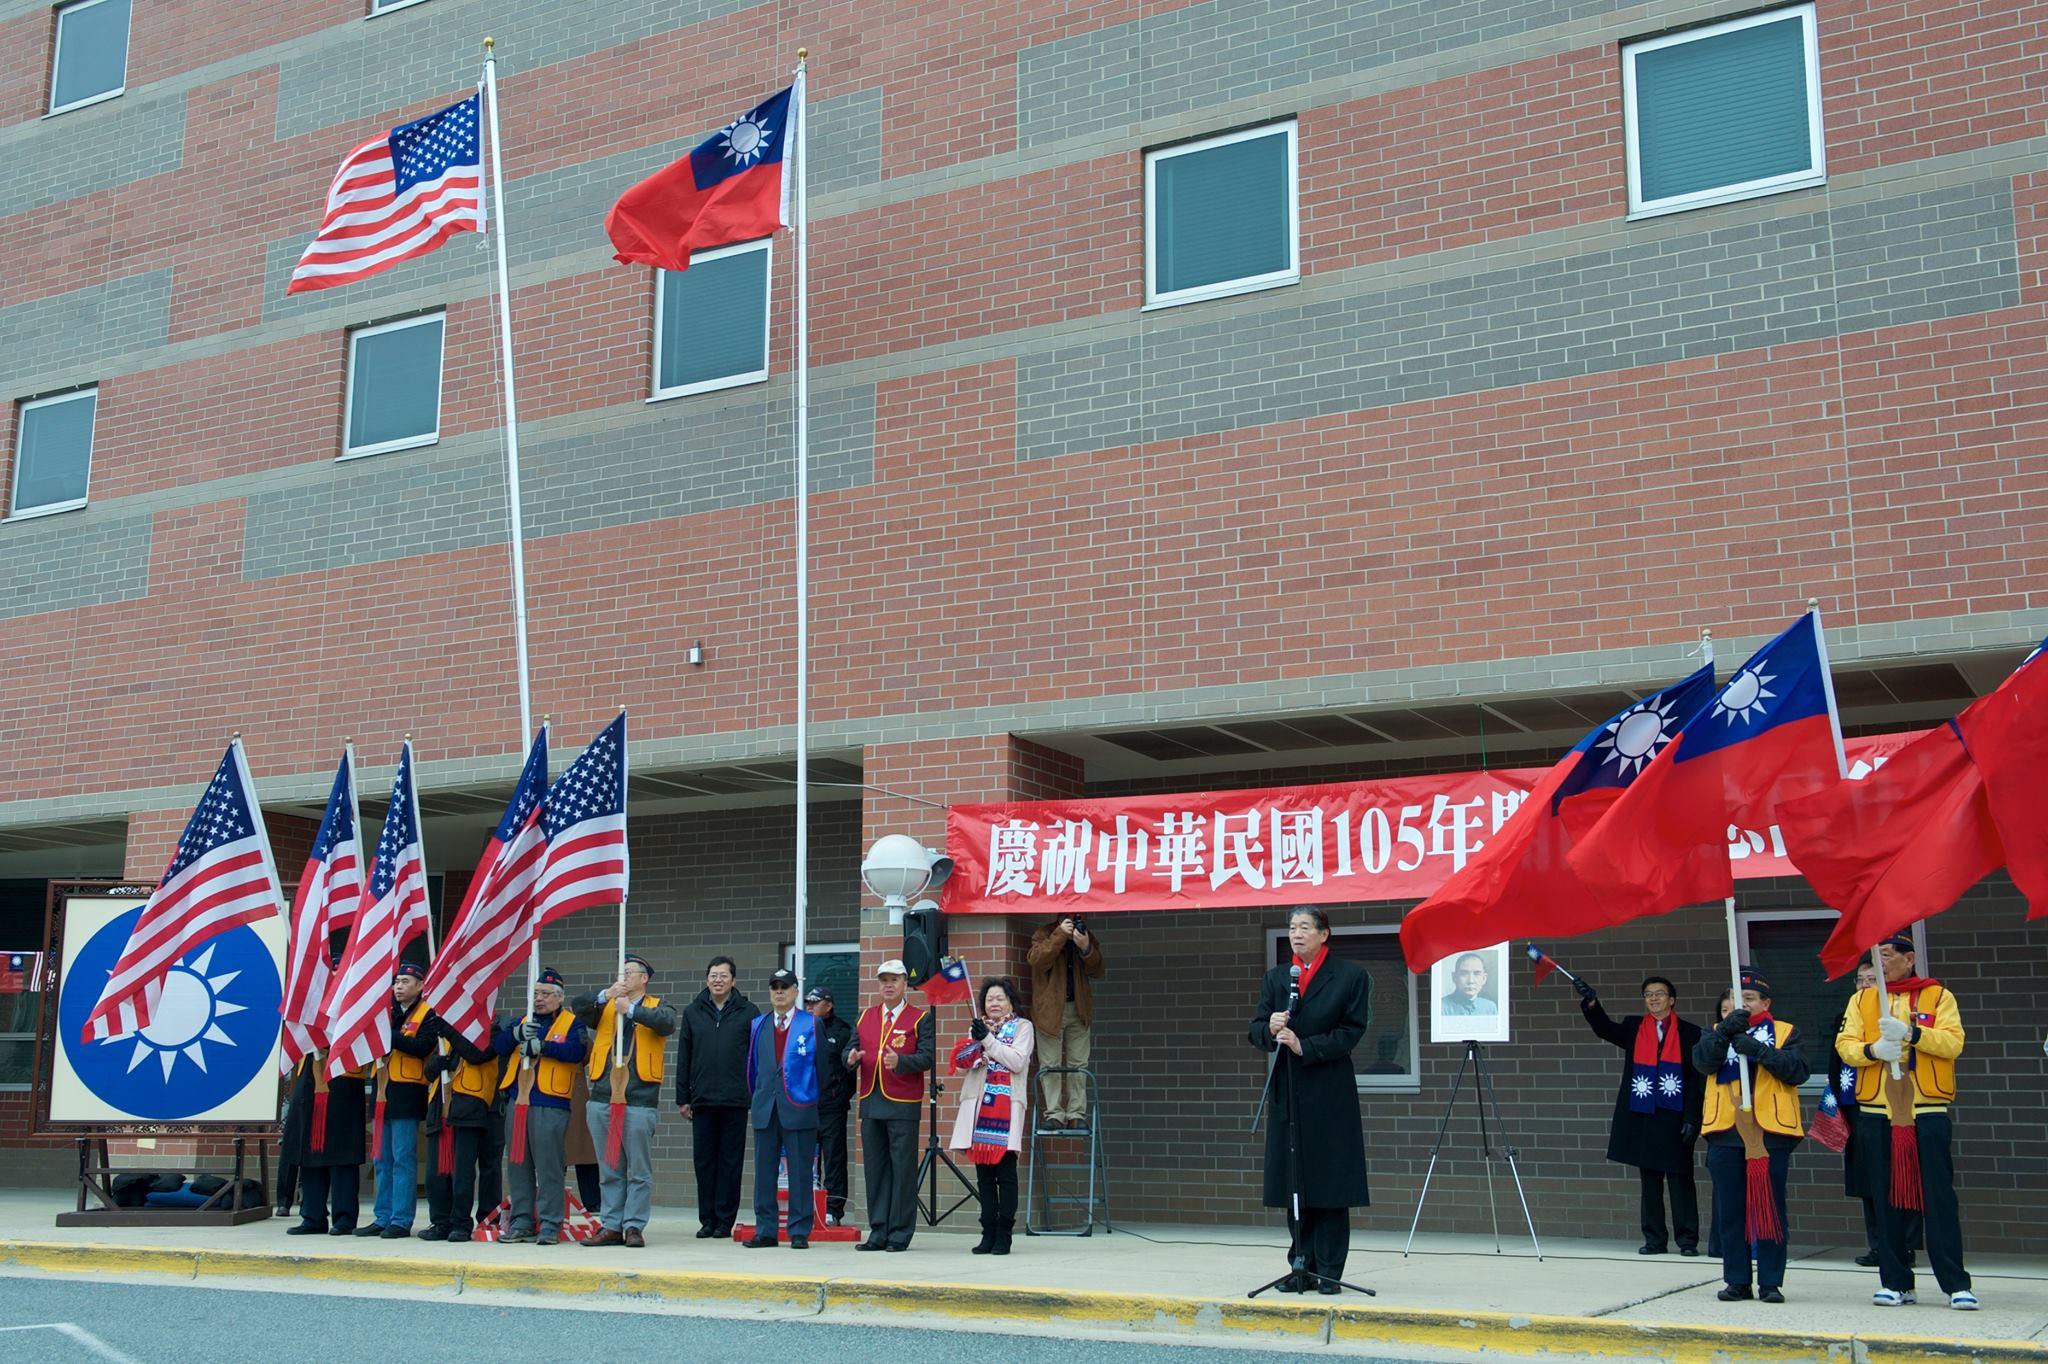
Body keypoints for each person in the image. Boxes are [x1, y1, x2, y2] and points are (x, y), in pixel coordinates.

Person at [1837, 934, 1976, 1310]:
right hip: (1878, 1112)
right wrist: (1873, 1051)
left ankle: (1956, 1283)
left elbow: (1954, 1043)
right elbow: (1845, 1046)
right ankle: (1896, 1282)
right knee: (1887, 1198)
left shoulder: (1937, 996)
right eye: (1875, 956)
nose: (1879, 963)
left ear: (1909, 958)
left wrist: (1913, 1034)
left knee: (1938, 1197)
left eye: (1886, 955)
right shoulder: (1862, 999)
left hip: (1926, 1110)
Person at [1246, 908, 1371, 1295]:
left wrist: (1307, 1045)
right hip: (1289, 1089)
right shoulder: (1278, 978)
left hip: (1329, 1088)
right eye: (1292, 928)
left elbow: (1352, 1031)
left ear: (1324, 934)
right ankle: (1302, 1263)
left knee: (1330, 1179)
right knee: (1295, 1179)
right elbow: (1255, 1029)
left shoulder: (1351, 977)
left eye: (1304, 928)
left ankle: (1329, 1268)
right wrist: (1269, 1029)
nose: (1296, 934)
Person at [1691, 969, 1807, 1304]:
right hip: (1726, 1131)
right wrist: (1725, 1033)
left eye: (1750, 999)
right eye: (1735, 1001)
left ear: (1766, 1002)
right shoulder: (1715, 1033)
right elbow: (1702, 1063)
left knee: (1770, 1210)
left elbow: (1797, 1071)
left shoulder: (1785, 1032)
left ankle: (1770, 1282)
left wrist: (1757, 1049)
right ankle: (1737, 1280)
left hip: (1769, 1132)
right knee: (1731, 1212)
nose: (1742, 1005)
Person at [1574, 974, 1704, 1256]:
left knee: (1681, 1180)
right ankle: (1655, 1239)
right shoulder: (1634, 1027)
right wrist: (1592, 1003)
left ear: (1672, 1000)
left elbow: (1697, 1080)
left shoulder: (1691, 1033)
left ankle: (1687, 1240)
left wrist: (1693, 1119)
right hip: (1644, 1116)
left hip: (1675, 1116)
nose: (1653, 998)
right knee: (1650, 1181)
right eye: (1648, 994)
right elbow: (1605, 1029)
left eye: (1659, 993)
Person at [573, 954, 679, 1248]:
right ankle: (611, 1225)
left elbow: (666, 1023)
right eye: (621, 972)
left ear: (644, 979)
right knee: (609, 1167)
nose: (623, 976)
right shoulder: (606, 1005)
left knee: (638, 1169)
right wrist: (607, 995)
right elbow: (578, 1008)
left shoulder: (658, 1006)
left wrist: (631, 1009)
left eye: (629, 972)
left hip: (638, 1100)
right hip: (603, 1097)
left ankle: (634, 1225)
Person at [495, 968, 590, 1246]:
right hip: (519, 1101)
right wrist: (515, 1034)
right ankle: (522, 1221)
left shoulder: (573, 1024)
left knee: (549, 1165)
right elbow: (498, 1047)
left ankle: (550, 1224)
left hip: (551, 1103)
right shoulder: (523, 1019)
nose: (539, 999)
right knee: (517, 1164)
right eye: (536, 993)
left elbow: (577, 1052)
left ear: (559, 998)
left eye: (545, 994)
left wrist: (543, 1046)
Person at [846, 958, 934, 1251]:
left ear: (904, 984)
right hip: (871, 1100)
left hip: (902, 1103)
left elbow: (928, 1057)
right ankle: (878, 1231)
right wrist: (850, 1058)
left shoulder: (919, 1018)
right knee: (875, 1169)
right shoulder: (865, 1016)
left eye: (894, 980)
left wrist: (902, 1062)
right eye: (883, 980)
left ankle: (899, 1233)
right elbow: (851, 1047)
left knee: (902, 1170)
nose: (888, 985)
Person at [948, 976, 1034, 1256]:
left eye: (1000, 998)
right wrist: (974, 1042)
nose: (994, 1003)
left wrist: (988, 1041)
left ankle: (1004, 1234)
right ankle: (987, 1232)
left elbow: (1017, 1061)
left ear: (1010, 1001)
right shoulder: (979, 1028)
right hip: (979, 1108)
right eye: (989, 999)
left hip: (1006, 1107)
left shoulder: (1023, 1027)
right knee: (984, 1175)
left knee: (1006, 1174)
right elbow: (964, 1063)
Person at [673, 955, 757, 1240]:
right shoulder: (693, 1011)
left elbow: (755, 1057)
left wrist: (753, 1093)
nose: (717, 980)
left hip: (735, 1099)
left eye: (723, 975)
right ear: (707, 979)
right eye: (713, 975)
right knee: (704, 1161)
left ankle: (724, 1220)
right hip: (703, 1099)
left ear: (734, 981)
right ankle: (706, 1219)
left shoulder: (749, 1012)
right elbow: (684, 1056)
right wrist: (682, 1097)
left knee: (730, 1162)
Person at [743, 968, 820, 1248]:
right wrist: (759, 1098)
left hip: (798, 1106)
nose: (779, 992)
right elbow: (752, 1069)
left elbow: (821, 1068)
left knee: (800, 1172)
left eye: (785, 987)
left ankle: (799, 1232)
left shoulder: (810, 1024)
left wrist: (812, 1101)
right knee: (764, 1173)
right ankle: (766, 1230)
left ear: (796, 991)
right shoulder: (758, 1025)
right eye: (774, 987)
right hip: (766, 1107)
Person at [361, 961, 438, 1239]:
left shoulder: (428, 1014)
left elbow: (422, 1047)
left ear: (419, 986)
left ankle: (401, 1219)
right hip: (383, 1091)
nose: (399, 987)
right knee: (381, 1158)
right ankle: (382, 1216)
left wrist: (389, 1035)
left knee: (403, 1158)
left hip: (407, 1092)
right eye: (397, 982)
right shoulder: (387, 1013)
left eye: (405, 982)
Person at [421, 1011, 509, 1243]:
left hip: (477, 1110)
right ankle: (441, 1221)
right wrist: (435, 1065)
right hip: (443, 1110)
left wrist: (450, 1030)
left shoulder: (492, 1031)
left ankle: (473, 1222)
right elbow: (429, 1072)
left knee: (469, 1172)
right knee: (438, 1173)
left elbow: (477, 1054)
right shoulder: (445, 1036)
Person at [1027, 916, 1104, 1128]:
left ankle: (1076, 1114)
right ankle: (1054, 1114)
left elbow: (1098, 969)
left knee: (1079, 1065)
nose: (1076, 917)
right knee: (1050, 1064)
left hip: (1079, 1009)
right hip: (1049, 1011)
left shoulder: (1086, 934)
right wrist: (1060, 934)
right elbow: (1036, 960)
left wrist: (1086, 947)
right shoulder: (1044, 932)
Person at [282, 1050, 367, 1236]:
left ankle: (344, 1218)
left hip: (342, 1076)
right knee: (310, 1150)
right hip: (310, 1079)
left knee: (342, 1154)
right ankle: (312, 1216)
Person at [807, 985, 856, 1227]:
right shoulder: (802, 1028)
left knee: (834, 1158)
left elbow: (850, 1073)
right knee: (806, 1158)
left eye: (814, 1003)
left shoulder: (842, 1031)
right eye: (807, 1002)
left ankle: (834, 1208)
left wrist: (839, 1097)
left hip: (832, 1107)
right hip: (805, 1105)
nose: (809, 1007)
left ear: (828, 1004)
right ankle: (805, 1204)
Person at [1439, 953, 1497, 1017]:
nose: (1471, 981)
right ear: (1454, 977)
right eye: (1464, 973)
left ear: (1484, 979)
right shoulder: (1441, 1006)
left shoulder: (1490, 1007)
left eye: (1477, 974)